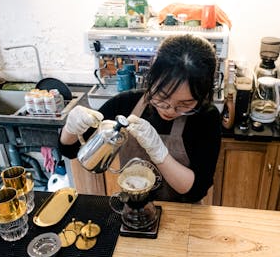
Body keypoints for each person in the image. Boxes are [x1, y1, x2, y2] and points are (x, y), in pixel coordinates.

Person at [59, 34, 221, 203]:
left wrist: (160, 154)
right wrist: (71, 128)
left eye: (185, 104)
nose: (170, 110)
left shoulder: (206, 118)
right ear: (151, 78)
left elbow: (197, 190)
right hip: (134, 207)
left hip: (184, 213)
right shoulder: (126, 104)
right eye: (162, 96)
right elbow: (70, 150)